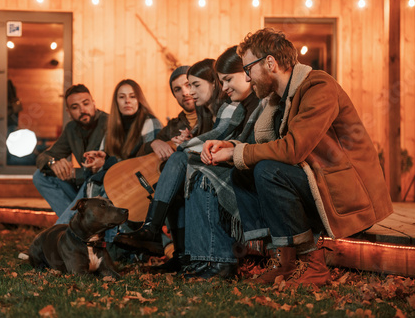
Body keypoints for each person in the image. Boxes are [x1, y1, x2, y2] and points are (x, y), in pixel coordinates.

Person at [207, 28, 393, 286]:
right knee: (244, 171)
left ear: (270, 63)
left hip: (347, 197)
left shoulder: (319, 86)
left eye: (249, 69)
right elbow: (262, 148)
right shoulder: (277, 100)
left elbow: (293, 149)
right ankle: (280, 260)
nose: (248, 78)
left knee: (268, 170)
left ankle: (312, 265)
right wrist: (230, 146)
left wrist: (238, 152)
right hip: (317, 183)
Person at [113, 59, 226, 272]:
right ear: (173, 95)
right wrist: (154, 142)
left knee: (175, 165)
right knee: (172, 177)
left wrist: (191, 141)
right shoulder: (174, 124)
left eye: (189, 85)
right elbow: (140, 154)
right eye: (177, 89)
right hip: (185, 180)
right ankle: (180, 256)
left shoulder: (211, 111)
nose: (185, 92)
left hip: (207, 174)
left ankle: (152, 229)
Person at [179, 46, 263, 279]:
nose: (224, 87)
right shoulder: (241, 108)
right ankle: (202, 258)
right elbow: (234, 140)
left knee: (202, 175)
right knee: (195, 170)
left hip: (256, 175)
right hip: (243, 167)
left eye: (227, 80)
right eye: (221, 82)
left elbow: (258, 146)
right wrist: (221, 147)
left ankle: (221, 261)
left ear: (247, 74)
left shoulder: (259, 104)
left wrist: (228, 150)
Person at [33, 84, 108, 223]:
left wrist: (74, 174)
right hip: (83, 187)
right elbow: (45, 156)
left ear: (93, 103)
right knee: (39, 176)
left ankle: (67, 225)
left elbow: (110, 166)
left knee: (90, 181)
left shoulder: (109, 123)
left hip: (103, 189)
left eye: (86, 103)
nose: (82, 110)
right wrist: (53, 163)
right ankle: (76, 222)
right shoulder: (71, 129)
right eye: (75, 107)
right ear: (69, 112)